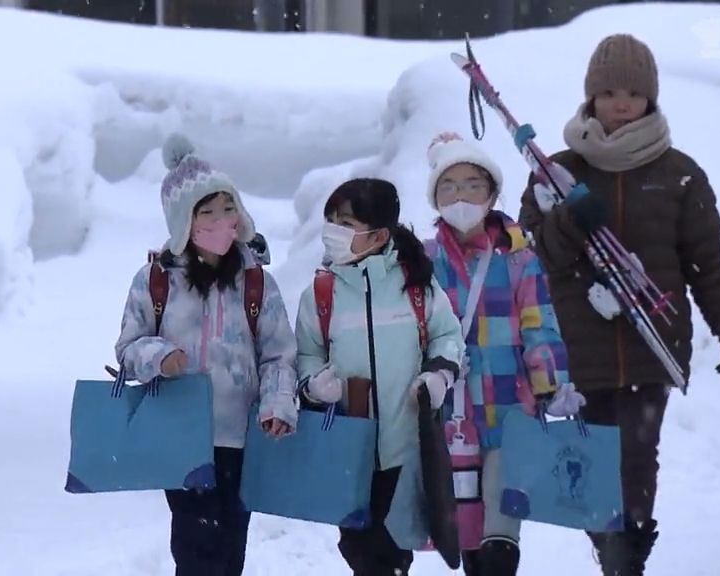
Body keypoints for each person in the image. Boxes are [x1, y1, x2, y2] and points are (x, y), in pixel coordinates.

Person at [518, 34, 720, 575]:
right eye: (609, 91)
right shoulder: (556, 172)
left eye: (633, 92)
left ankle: (629, 556)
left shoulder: (678, 173)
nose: (621, 103)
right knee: (594, 461)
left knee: (637, 460)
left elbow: (705, 262)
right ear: (590, 97)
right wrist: (572, 221)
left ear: (651, 97)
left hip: (653, 342)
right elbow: (534, 255)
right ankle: (610, 549)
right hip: (579, 345)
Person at [114, 134, 299, 576]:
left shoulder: (257, 282)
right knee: (196, 543)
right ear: (184, 222)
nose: (221, 221)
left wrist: (277, 403)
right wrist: (159, 357)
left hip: (241, 437)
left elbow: (278, 354)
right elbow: (127, 348)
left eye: (227, 208)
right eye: (207, 213)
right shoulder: (155, 280)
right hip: (182, 435)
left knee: (231, 544)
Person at [424, 132, 581, 576]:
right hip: (451, 419)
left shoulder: (517, 259)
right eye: (448, 186)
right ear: (435, 197)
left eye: (473, 184)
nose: (461, 196)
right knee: (468, 536)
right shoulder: (423, 259)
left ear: (492, 192)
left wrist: (552, 384)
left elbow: (539, 323)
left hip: (512, 411)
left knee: (500, 539)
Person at [295, 177, 466, 576]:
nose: (333, 232)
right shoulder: (321, 292)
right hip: (347, 451)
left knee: (391, 554)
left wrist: (438, 377)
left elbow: (447, 337)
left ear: (379, 235)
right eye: (331, 221)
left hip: (402, 451)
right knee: (360, 550)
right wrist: (315, 385)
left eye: (347, 223)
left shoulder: (416, 286)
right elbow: (306, 353)